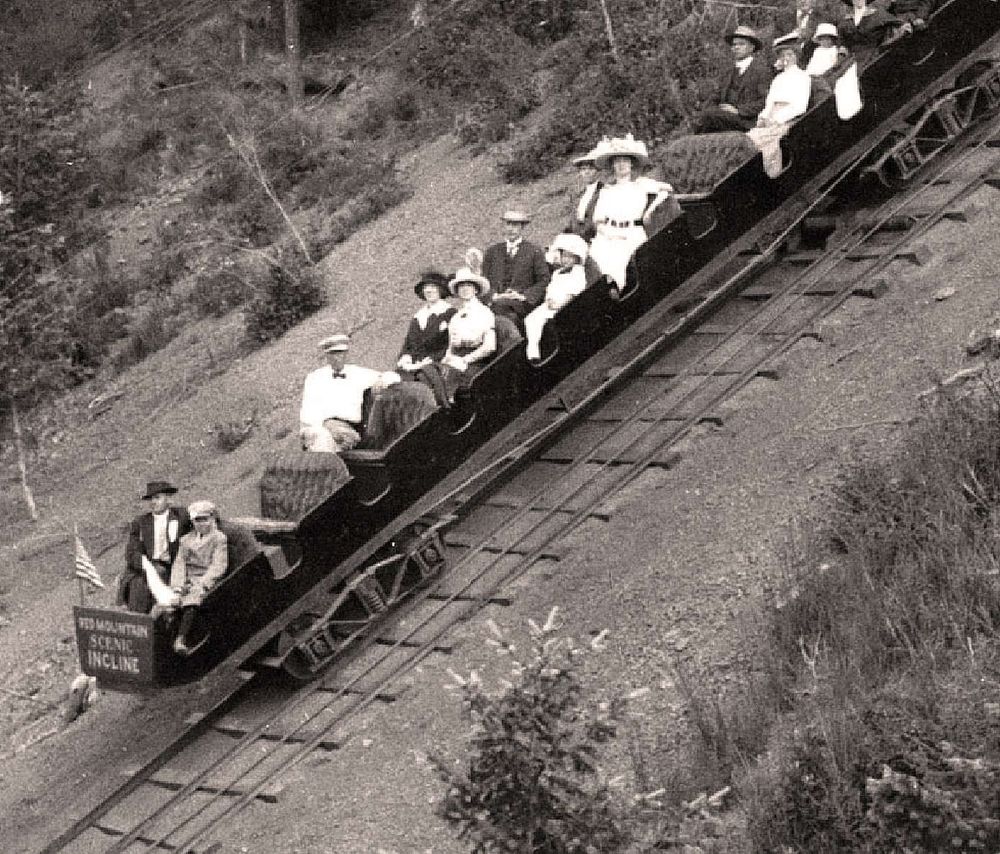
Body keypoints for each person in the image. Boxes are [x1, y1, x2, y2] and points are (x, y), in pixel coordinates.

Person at [587, 134, 673, 292]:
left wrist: (650, 210)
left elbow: (667, 190)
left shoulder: (641, 184)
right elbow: (598, 221)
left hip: (632, 233)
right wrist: (608, 233)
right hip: (609, 234)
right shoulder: (607, 191)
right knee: (596, 264)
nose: (621, 165)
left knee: (622, 261)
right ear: (612, 166)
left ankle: (618, 293)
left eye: (625, 161)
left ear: (632, 164)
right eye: (617, 161)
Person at [299, 333, 401, 453]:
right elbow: (307, 413)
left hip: (348, 431)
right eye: (333, 354)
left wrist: (382, 381)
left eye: (341, 353)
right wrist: (327, 426)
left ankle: (331, 466)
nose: (338, 358)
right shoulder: (314, 378)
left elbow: (393, 376)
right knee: (321, 438)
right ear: (326, 356)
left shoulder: (358, 374)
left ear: (346, 354)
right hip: (321, 429)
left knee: (331, 444)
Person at [746, 34, 813, 177]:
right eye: (783, 55)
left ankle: (769, 176)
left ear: (796, 56)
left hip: (788, 119)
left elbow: (800, 106)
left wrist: (777, 119)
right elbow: (769, 103)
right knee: (749, 138)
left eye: (790, 54)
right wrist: (763, 117)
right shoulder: (778, 79)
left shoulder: (803, 77)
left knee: (761, 142)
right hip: (771, 119)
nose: (786, 59)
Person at [122, 480, 191, 614]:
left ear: (168, 499)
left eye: (157, 498)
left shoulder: (181, 516)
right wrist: (145, 565)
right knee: (137, 584)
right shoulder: (141, 522)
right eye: (150, 499)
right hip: (147, 565)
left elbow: (204, 514)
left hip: (172, 566)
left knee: (155, 581)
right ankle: (138, 620)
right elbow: (131, 551)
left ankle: (148, 620)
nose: (153, 502)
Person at [169, 501, 228, 656]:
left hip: (208, 579)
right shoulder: (186, 540)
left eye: (204, 519)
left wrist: (203, 584)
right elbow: (179, 564)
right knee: (167, 602)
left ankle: (180, 639)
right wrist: (177, 587)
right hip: (189, 579)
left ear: (212, 518)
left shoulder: (218, 539)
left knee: (192, 601)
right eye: (197, 520)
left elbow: (218, 566)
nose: (201, 524)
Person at [695, 26, 774, 133]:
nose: (736, 47)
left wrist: (738, 111)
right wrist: (708, 108)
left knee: (710, 117)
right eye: (734, 44)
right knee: (705, 116)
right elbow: (716, 95)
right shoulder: (728, 71)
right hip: (724, 117)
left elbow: (764, 101)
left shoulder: (761, 71)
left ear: (752, 47)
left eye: (741, 44)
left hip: (746, 120)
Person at [525, 233, 589, 363]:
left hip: (565, 305)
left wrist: (559, 305)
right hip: (550, 304)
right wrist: (548, 300)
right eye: (564, 256)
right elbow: (551, 289)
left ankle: (554, 351)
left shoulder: (577, 272)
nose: (566, 260)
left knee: (552, 322)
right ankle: (533, 352)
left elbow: (574, 293)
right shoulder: (557, 273)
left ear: (577, 259)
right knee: (531, 319)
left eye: (570, 257)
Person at [481, 209, 549, 328]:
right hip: (496, 301)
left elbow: (544, 280)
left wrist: (523, 296)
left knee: (504, 315)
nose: (511, 229)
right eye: (508, 224)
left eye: (515, 225)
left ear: (522, 228)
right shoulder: (492, 251)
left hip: (520, 303)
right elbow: (484, 280)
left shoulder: (534, 251)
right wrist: (494, 295)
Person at [438, 267, 496, 400]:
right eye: (461, 286)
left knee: (453, 382)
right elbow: (451, 347)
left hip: (476, 362)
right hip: (456, 360)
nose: (465, 289)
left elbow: (490, 346)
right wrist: (448, 358)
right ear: (457, 292)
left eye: (468, 285)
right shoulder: (456, 318)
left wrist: (465, 360)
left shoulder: (484, 312)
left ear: (475, 289)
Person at [396, 270, 456, 377]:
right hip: (415, 364)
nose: (429, 290)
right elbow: (408, 343)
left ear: (440, 290)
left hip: (437, 364)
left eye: (433, 287)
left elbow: (451, 344)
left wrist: (430, 360)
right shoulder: (418, 316)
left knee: (423, 377)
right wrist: (406, 357)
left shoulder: (450, 313)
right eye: (426, 287)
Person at [838, 0, 902, 61]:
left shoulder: (878, 15)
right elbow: (843, 43)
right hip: (851, 59)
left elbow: (901, 24)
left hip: (874, 57)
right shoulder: (845, 22)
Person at [569, 142, 606, 240]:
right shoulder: (578, 195)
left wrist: (579, 237)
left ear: (598, 171)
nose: (587, 172)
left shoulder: (604, 191)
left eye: (590, 168)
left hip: (596, 236)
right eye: (583, 169)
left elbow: (595, 221)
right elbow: (573, 221)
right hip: (577, 238)